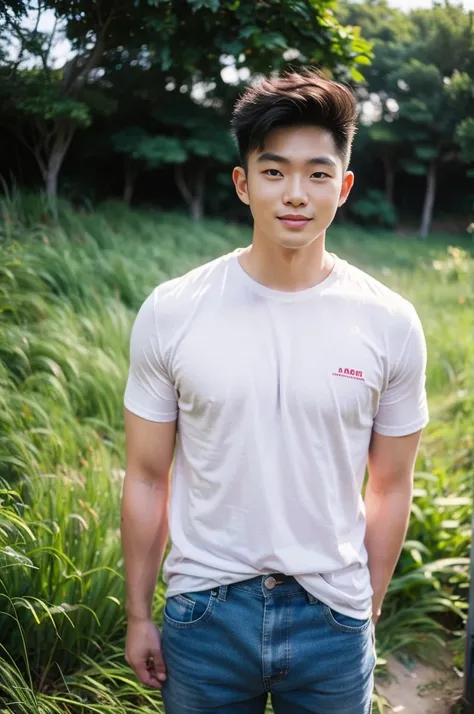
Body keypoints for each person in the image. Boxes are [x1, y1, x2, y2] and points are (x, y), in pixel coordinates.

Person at [120, 67, 429, 714]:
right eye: (273, 171)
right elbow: (147, 476)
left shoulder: (390, 321)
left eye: (318, 174)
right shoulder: (173, 310)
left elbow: (392, 483)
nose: (296, 193)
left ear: (342, 188)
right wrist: (138, 614)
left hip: (333, 620)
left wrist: (365, 606)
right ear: (243, 182)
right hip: (205, 614)